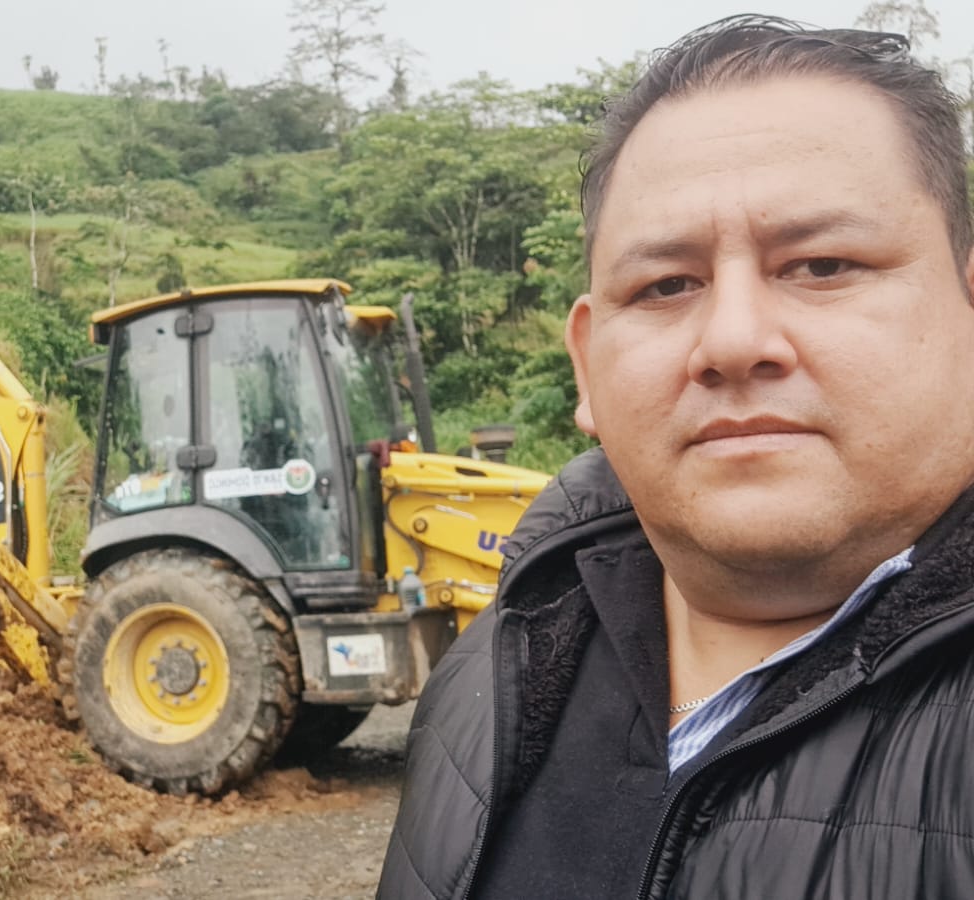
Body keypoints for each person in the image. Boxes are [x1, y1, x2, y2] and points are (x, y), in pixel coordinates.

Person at [380, 14, 974, 900]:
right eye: (666, 285)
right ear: (587, 365)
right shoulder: (491, 673)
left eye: (822, 265)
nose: (732, 341)